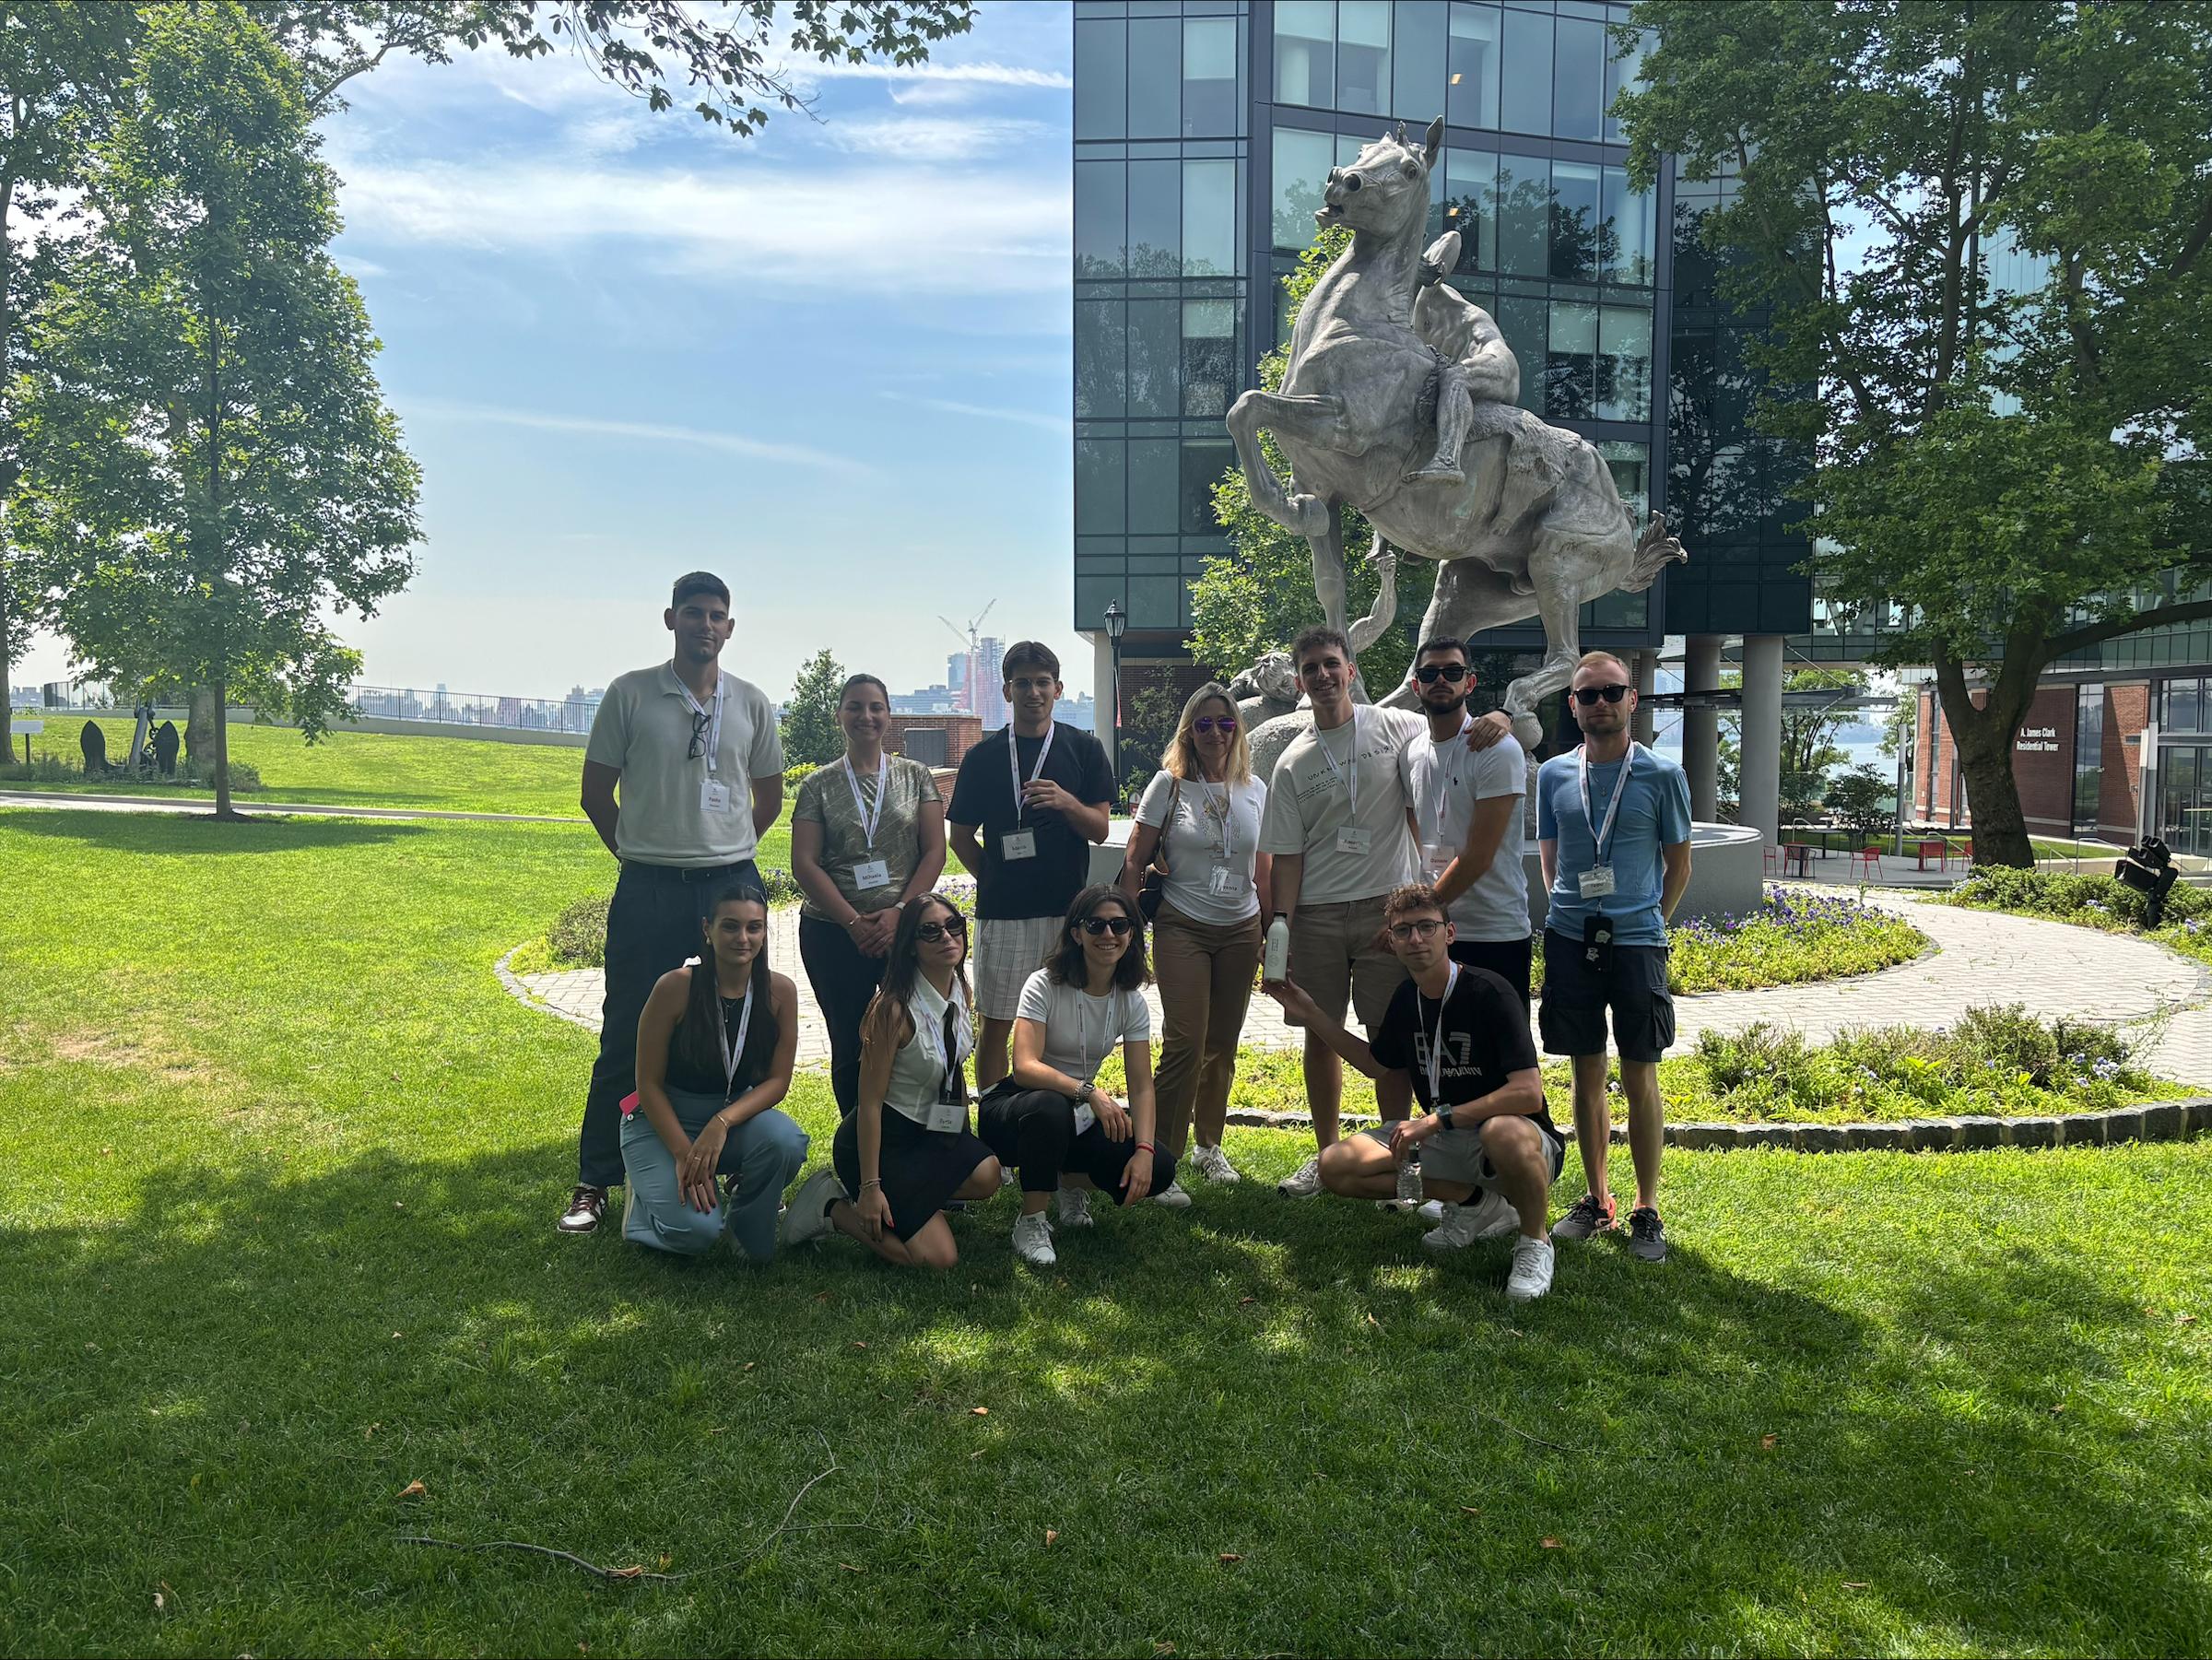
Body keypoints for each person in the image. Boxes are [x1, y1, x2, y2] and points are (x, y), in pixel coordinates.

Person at [560, 572, 786, 1235]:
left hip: (729, 884)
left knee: (743, 1030)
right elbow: (596, 794)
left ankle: (743, 1162)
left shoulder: (751, 702)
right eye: (694, 613)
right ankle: (596, 1179)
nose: (705, 625)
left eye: (717, 615)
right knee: (627, 1030)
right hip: (650, 886)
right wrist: (638, 852)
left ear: (730, 628)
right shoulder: (631, 694)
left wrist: (728, 849)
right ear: (671, 619)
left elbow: (767, 797)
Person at [1265, 884, 1561, 1299]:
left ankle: (1535, 1241)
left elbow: (1528, 1094)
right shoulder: (1407, 998)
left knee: (1501, 1132)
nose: (1416, 939)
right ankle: (1474, 1203)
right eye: (1403, 931)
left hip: (1512, 1138)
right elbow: (1374, 1064)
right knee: (1335, 1166)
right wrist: (1311, 1012)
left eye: (1427, 927)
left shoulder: (1489, 991)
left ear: (1450, 933)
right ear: (1391, 940)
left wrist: (1436, 1119)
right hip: (1444, 1137)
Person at [1256, 625, 1429, 1197]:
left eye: (1332, 664)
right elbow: (1287, 856)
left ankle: (1398, 1151)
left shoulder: (1398, 726)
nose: (1323, 677)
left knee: (1389, 1036)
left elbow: (1453, 737)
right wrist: (1280, 923)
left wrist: (1497, 720)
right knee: (1319, 1032)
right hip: (1317, 914)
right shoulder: (1293, 762)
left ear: (1351, 669)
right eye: (1311, 670)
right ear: (1301, 682)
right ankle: (1326, 1152)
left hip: (1386, 913)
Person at [1535, 650, 1692, 1263]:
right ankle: (1597, 1199)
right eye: (1588, 694)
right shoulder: (1552, 775)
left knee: (1639, 1072)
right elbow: (1552, 859)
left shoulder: (1661, 775)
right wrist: (1570, 911)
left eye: (1612, 691)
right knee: (1584, 1071)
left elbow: (1678, 865)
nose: (1600, 702)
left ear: (1633, 699)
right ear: (1572, 706)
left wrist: (1648, 920)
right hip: (1571, 939)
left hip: (1636, 943)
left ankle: (1646, 1206)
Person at [783, 894, 1002, 1267]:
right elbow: (868, 1104)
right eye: (930, 932)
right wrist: (871, 1187)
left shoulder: (959, 992)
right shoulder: (894, 1010)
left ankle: (913, 1206)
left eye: (954, 926)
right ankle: (831, 1206)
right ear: (911, 947)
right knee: (938, 1259)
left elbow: (952, 1065)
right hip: (883, 1143)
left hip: (927, 1135)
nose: (947, 938)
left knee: (988, 1175)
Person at [1120, 683, 1271, 1200]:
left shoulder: (1256, 789)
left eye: (1225, 723)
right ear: (1189, 731)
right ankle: (1161, 1159)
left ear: (1237, 730)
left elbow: (1264, 869)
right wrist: (1130, 937)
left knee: (1223, 1044)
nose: (1214, 732)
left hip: (1242, 928)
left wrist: (1272, 931)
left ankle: (1209, 1146)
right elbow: (1134, 862)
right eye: (1203, 724)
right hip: (1182, 923)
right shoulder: (1169, 784)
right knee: (1185, 1041)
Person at [976, 886, 1175, 1268]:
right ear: (1076, 933)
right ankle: (1031, 1220)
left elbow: (1142, 1085)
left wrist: (1145, 1151)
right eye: (1096, 925)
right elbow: (1025, 1066)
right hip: (1018, 1106)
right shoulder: (1043, 984)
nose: (1108, 935)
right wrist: (1089, 1092)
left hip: (1074, 1115)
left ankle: (1067, 1181)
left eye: (1120, 925)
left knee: (1162, 1168)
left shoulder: (1130, 1000)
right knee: (1050, 1107)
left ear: (1132, 933)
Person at [947, 641, 1114, 1092]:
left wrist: (1065, 803)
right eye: (1022, 683)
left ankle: (1058, 1121)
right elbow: (960, 836)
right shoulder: (983, 757)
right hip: (1002, 914)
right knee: (997, 1024)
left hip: (1068, 914)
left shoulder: (1084, 749)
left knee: (1064, 1022)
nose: (1033, 692)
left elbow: (1099, 828)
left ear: (1058, 689)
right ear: (1007, 691)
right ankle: (1000, 1131)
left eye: (1043, 683)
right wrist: (996, 877)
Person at [621, 885, 807, 1259]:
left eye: (754, 927)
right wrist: (683, 1154)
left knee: (786, 1140)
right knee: (695, 1234)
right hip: (664, 1121)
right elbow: (648, 1085)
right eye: (730, 926)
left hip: (728, 1120)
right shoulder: (675, 987)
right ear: (707, 929)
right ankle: (639, 1211)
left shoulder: (780, 992)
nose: (743, 938)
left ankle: (747, 1232)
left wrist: (721, 1122)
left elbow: (777, 1082)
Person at [791, 674, 947, 1115]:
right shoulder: (817, 786)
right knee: (849, 1037)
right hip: (833, 932)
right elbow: (805, 863)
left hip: (908, 930)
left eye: (876, 707)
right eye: (855, 707)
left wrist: (900, 912)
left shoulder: (915, 777)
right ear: (840, 715)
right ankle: (857, 1146)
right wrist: (854, 923)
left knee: (923, 1030)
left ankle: (922, 1131)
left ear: (888, 716)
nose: (866, 716)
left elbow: (935, 850)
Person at [1405, 637, 1533, 1009]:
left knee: (1502, 1058)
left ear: (1469, 683)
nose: (1440, 679)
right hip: (1435, 933)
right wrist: (1425, 921)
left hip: (1493, 930)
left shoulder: (1496, 749)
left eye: (1452, 671)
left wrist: (1420, 915)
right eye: (1429, 673)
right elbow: (1415, 824)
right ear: (1416, 686)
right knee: (1440, 1048)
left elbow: (1480, 856)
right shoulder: (1412, 751)